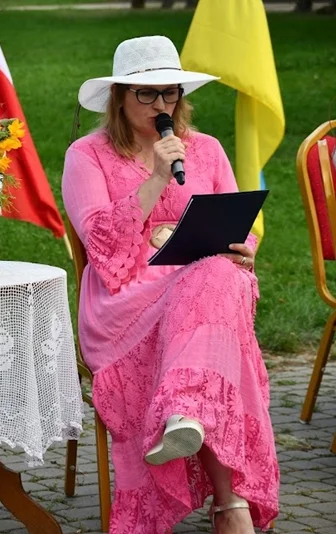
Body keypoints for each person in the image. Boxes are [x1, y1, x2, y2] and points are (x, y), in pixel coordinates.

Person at [61, 35, 279, 534]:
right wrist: (156, 176)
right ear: (119, 97)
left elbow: (236, 222)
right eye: (147, 94)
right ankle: (231, 506)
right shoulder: (86, 155)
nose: (162, 105)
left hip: (204, 288)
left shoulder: (206, 149)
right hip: (126, 299)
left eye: (170, 93)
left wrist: (244, 246)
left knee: (220, 272)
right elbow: (101, 246)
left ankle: (188, 414)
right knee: (222, 312)